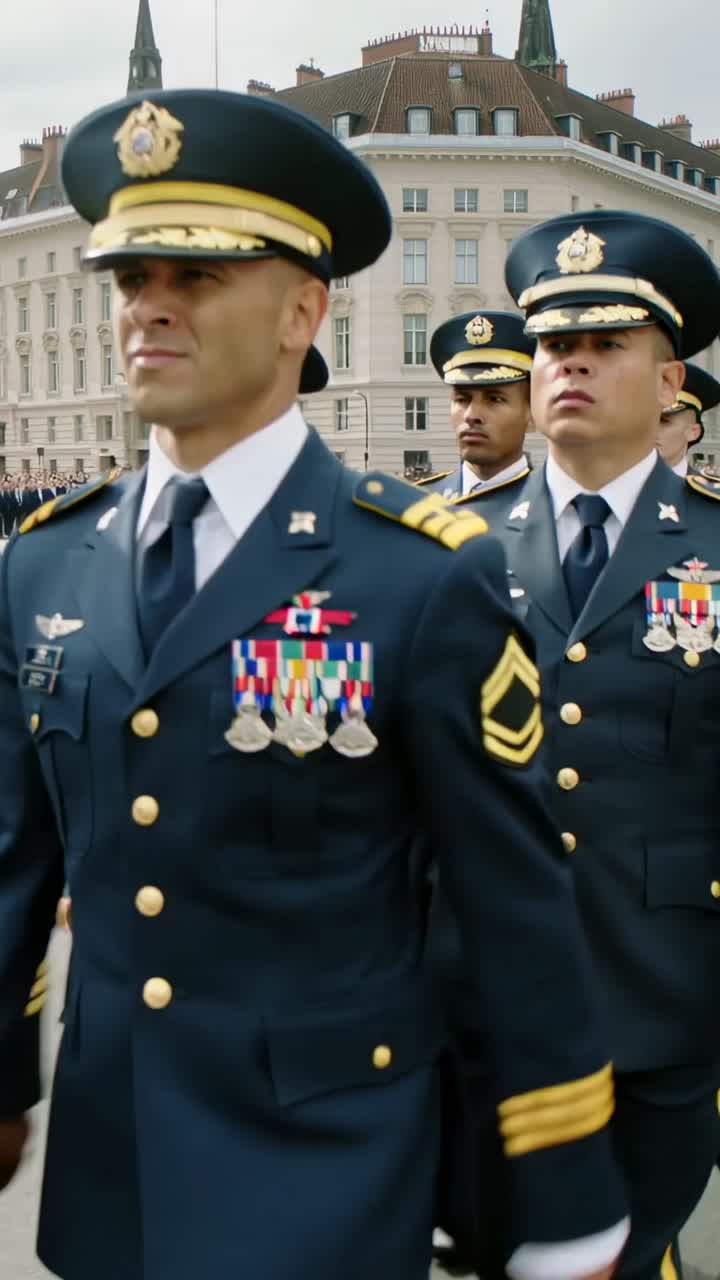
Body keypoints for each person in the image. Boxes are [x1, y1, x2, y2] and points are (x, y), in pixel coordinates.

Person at [0, 90, 626, 1280]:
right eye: (131, 276)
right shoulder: (43, 561)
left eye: (197, 275)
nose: (148, 307)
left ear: (303, 309)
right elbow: (11, 856)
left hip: (323, 1165)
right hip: (111, 1164)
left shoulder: (420, 573)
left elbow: (511, 902)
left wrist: (565, 1192)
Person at [436, 209, 720, 1280]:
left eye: (607, 344)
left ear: (670, 380)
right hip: (477, 1005)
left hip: (667, 999)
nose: (573, 364)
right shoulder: (449, 547)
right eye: (556, 343)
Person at [419, 311, 533, 501]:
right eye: (462, 399)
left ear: (532, 415)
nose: (471, 415)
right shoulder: (416, 505)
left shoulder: (557, 508)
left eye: (494, 399)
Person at [656, 362, 720, 477]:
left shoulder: (706, 489)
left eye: (663, 421)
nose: (649, 429)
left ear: (693, 432)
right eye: (644, 420)